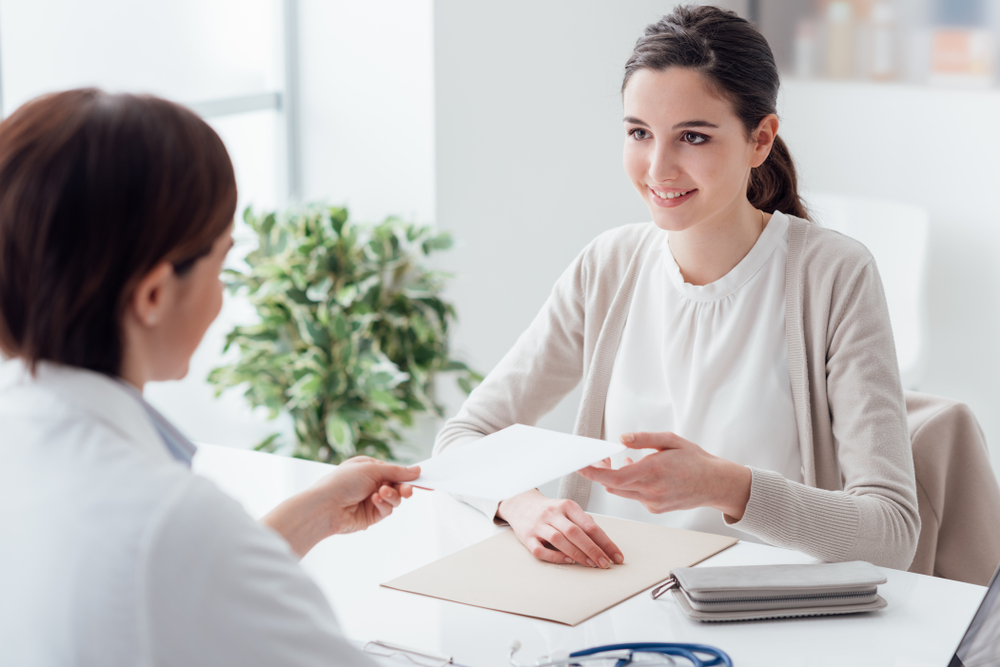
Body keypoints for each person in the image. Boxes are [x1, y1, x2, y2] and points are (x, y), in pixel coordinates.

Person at [434, 5, 920, 571]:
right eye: (639, 132)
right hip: (608, 599)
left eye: (692, 136)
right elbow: (464, 438)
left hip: (769, 616)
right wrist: (521, 505)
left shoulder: (834, 275)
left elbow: (891, 533)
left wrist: (726, 486)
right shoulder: (608, 266)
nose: (658, 169)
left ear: (760, 140)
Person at [0, 88, 417, 666]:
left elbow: (178, 590)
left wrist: (316, 511)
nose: (224, 296)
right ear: (152, 294)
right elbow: (178, 565)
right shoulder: (168, 522)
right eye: (221, 263)